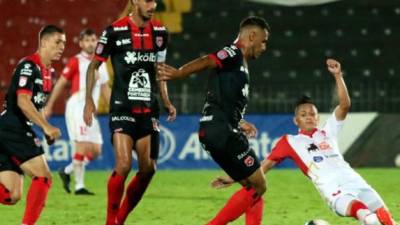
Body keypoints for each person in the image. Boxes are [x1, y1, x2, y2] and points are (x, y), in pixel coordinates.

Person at [211, 59, 398, 225]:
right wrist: (233, 178)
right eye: (303, 114)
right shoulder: (289, 142)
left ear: (317, 118)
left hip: (355, 180)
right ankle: (369, 219)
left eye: (312, 114)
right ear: (296, 120)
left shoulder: (328, 131)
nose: (308, 117)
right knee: (368, 216)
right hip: (333, 189)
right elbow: (262, 168)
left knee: (387, 220)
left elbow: (345, 105)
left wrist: (338, 76)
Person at [157, 16, 270, 225]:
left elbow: (223, 97)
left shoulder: (240, 64)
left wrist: (239, 121)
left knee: (251, 187)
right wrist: (179, 73)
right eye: (263, 41)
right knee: (259, 185)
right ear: (252, 36)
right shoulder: (234, 53)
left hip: (213, 130)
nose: (264, 47)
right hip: (221, 130)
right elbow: (208, 60)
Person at [83, 0, 176, 224]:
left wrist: (166, 100)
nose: (152, 5)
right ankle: (110, 220)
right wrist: (88, 100)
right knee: (123, 164)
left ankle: (120, 219)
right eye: (147, 0)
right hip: (122, 107)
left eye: (154, 0)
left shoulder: (161, 32)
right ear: (134, 1)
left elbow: (160, 70)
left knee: (148, 169)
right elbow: (93, 66)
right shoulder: (114, 31)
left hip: (148, 109)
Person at [0, 25, 65, 225]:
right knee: (43, 177)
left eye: (64, 42)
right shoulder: (29, 66)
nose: (62, 46)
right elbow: (23, 101)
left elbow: (38, 104)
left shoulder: (48, 72)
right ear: (44, 42)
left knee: (11, 196)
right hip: (12, 127)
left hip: (12, 129)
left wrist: (44, 125)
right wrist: (45, 126)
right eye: (57, 42)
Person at [44, 28, 111, 195]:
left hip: (91, 109)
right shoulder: (76, 61)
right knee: (81, 145)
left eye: (93, 40)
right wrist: (50, 105)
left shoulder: (101, 63)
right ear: (81, 43)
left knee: (96, 150)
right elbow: (60, 83)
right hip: (78, 106)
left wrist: (114, 109)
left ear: (97, 42)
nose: (90, 43)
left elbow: (105, 89)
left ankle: (66, 171)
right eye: (87, 40)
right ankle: (79, 186)